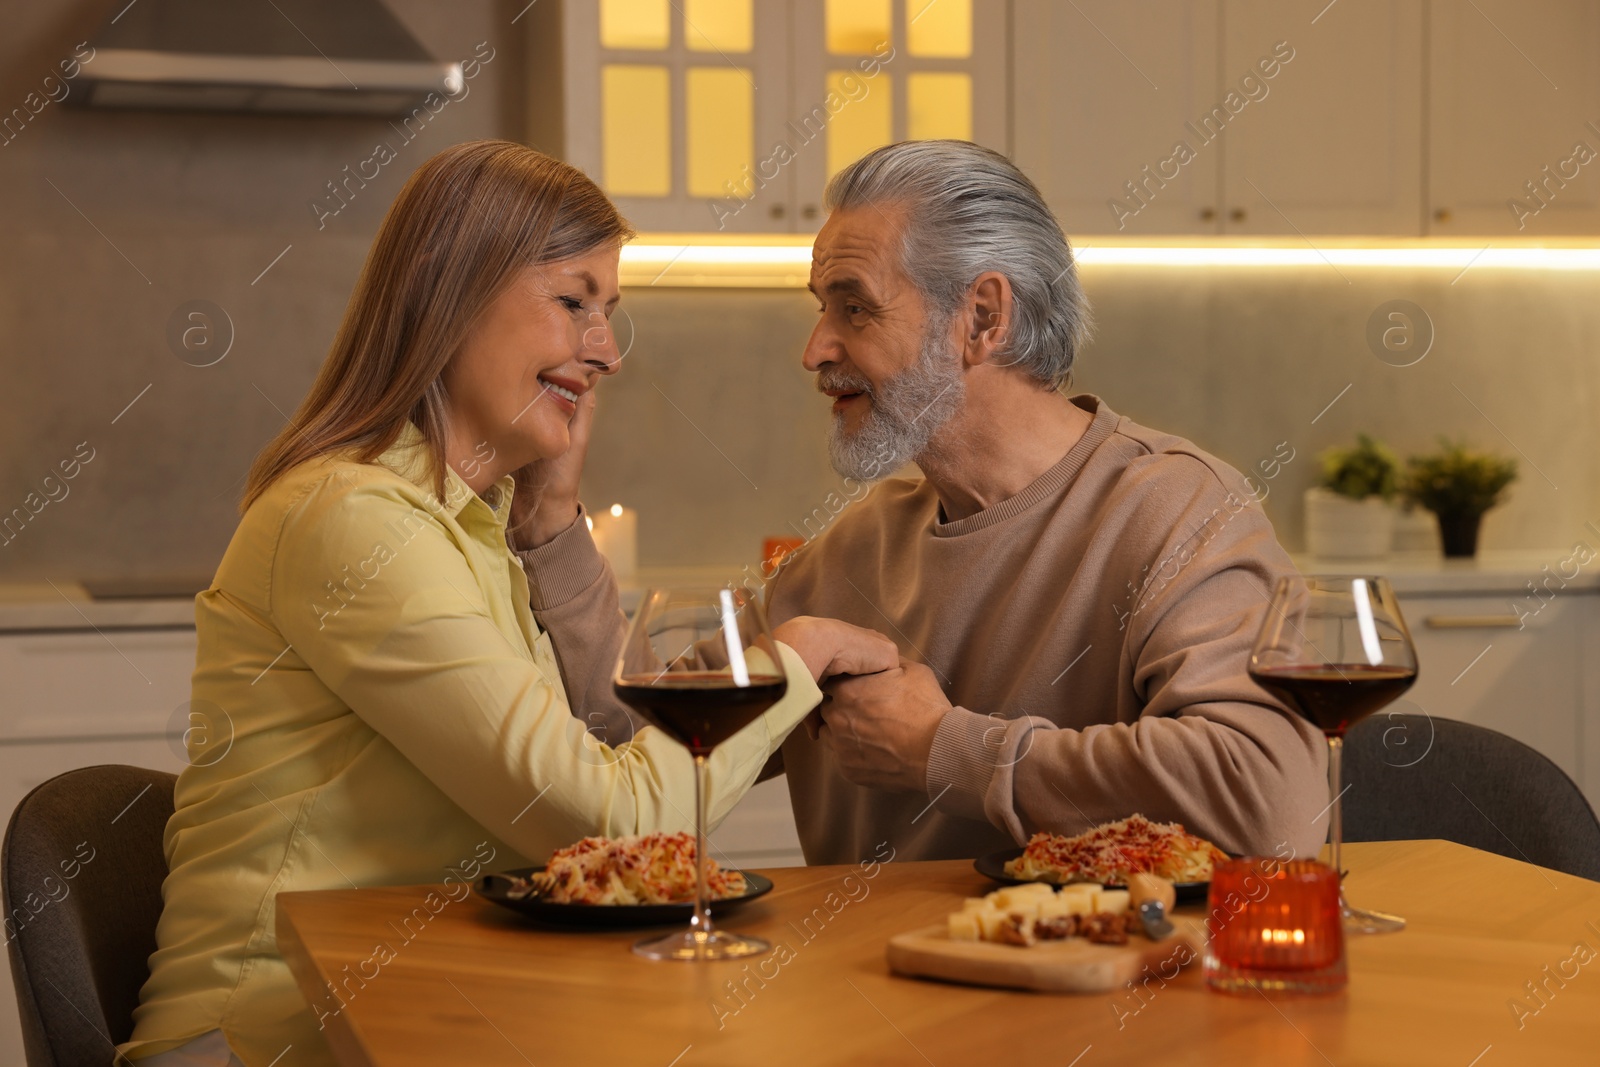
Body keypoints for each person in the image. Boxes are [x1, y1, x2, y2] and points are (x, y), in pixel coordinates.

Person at [119, 141, 894, 1067]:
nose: (605, 350)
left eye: (610, 315)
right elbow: (614, 823)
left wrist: (553, 510)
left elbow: (590, 752)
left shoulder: (468, 529)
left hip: (429, 1020)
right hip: (269, 1039)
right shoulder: (357, 521)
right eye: (574, 303)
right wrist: (790, 658)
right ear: (450, 295)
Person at [765, 140, 1328, 866]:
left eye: (855, 308)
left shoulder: (1178, 512)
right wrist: (561, 518)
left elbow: (1268, 802)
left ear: (982, 318)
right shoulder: (849, 552)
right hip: (844, 975)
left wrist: (945, 750)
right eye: (822, 309)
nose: (815, 349)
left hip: (1097, 975)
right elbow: (625, 752)